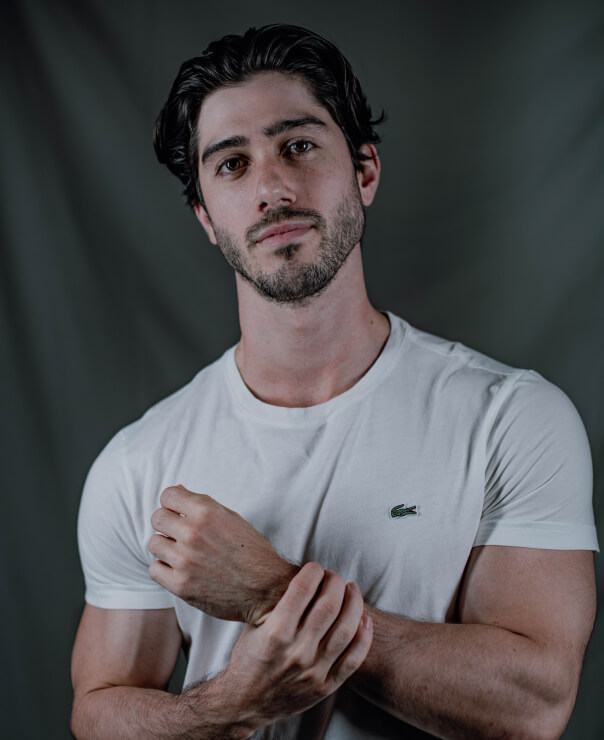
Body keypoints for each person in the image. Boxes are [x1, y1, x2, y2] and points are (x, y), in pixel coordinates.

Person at [70, 23, 599, 740]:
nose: (272, 188)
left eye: (298, 146)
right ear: (206, 219)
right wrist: (229, 708)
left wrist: (270, 591)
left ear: (365, 172)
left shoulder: (510, 418)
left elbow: (533, 707)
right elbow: (98, 713)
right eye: (232, 164)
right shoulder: (141, 464)